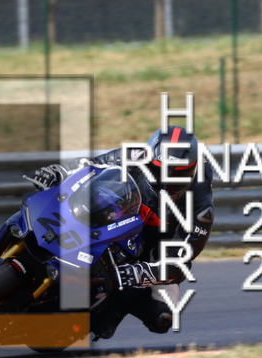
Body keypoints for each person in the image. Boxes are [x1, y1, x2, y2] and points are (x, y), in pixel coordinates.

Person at [28, 125, 214, 339]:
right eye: (159, 171)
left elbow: (180, 263)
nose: (166, 182)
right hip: (115, 224)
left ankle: (107, 308)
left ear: (192, 171)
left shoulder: (201, 207)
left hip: (152, 253)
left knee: (162, 317)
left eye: (177, 176)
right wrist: (58, 172)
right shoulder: (135, 156)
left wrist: (135, 274)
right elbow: (90, 165)